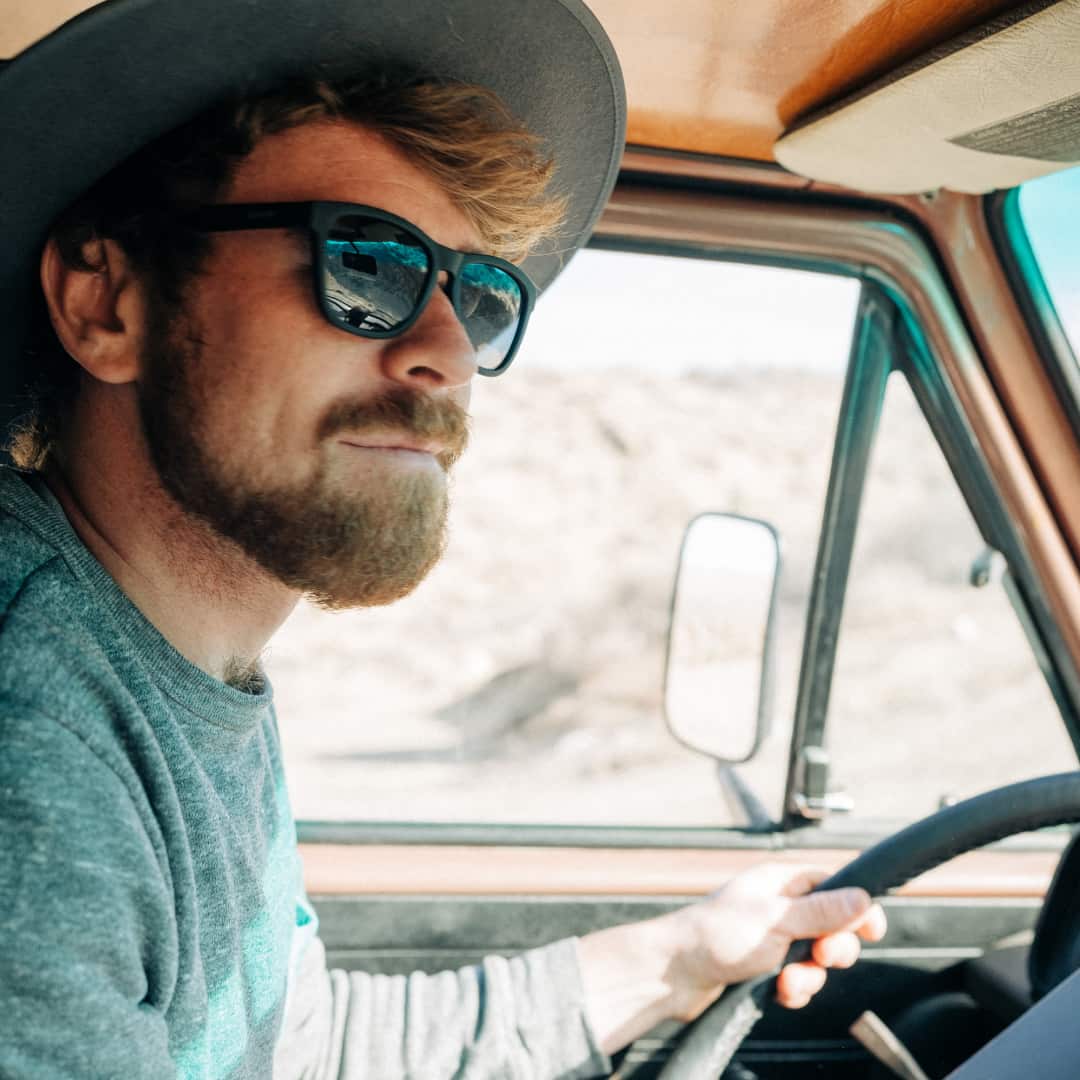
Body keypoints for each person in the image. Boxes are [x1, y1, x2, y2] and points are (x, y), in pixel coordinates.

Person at [0, 1, 886, 1076]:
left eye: (481, 294)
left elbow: (289, 1043)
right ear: (107, 301)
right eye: (367, 266)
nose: (449, 353)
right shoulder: (33, 734)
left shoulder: (177, 665)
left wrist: (679, 961)